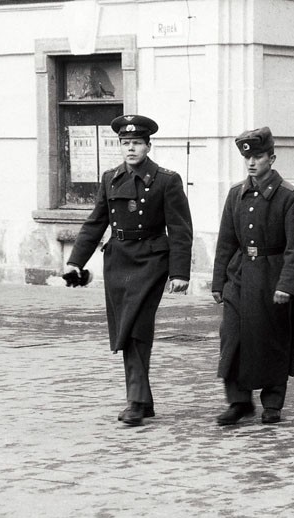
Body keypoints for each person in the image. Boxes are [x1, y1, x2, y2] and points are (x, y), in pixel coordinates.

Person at [63, 114, 193, 427]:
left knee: (136, 327)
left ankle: (135, 401)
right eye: (125, 143)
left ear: (148, 146)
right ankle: (143, 400)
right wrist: (75, 261)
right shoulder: (110, 179)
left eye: (136, 143)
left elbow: (179, 228)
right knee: (126, 328)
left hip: (151, 262)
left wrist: (180, 273)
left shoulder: (166, 180)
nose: (130, 148)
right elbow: (96, 223)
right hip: (118, 261)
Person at [211, 126, 294, 426]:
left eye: (258, 156)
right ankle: (239, 401)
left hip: (273, 276)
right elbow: (226, 240)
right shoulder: (235, 195)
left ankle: (272, 403)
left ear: (272, 158)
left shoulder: (289, 196)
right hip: (240, 276)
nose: (252, 163)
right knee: (232, 338)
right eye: (248, 158)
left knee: (272, 339)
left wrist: (287, 285)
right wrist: (219, 283)